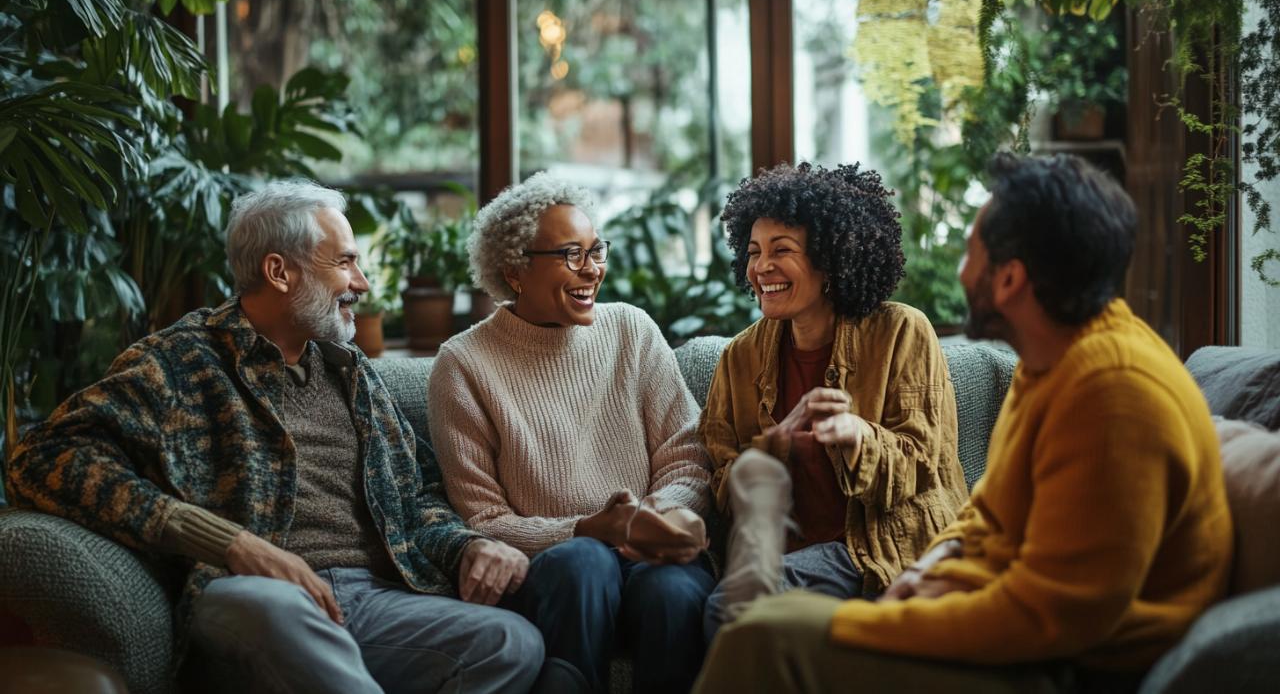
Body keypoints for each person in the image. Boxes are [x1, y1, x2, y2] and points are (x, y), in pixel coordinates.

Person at [693, 153, 1233, 693]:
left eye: (971, 249)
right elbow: (992, 515)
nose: (959, 270)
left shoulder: (1115, 392)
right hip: (998, 622)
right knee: (759, 625)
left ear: (1010, 277)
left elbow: (1052, 619)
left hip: (1070, 669)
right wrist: (940, 565)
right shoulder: (1051, 366)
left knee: (762, 631)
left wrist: (888, 620)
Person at [5, 181, 544, 694]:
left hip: (374, 595)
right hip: (250, 597)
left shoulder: (352, 373)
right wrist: (232, 543)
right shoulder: (180, 363)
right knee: (274, 609)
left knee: (509, 643)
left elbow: (418, 492)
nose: (362, 283)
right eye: (345, 262)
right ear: (279, 271)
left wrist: (467, 545)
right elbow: (40, 457)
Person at [428, 172, 715, 694]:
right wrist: (590, 530)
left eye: (595, 251)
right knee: (584, 564)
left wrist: (645, 521)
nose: (593, 270)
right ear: (515, 271)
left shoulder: (631, 329)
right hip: (555, 572)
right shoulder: (463, 365)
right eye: (571, 255)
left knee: (672, 589)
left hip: (646, 552)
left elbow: (688, 456)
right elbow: (482, 520)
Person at [699, 162, 967, 640]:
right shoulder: (738, 359)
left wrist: (855, 435)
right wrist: (772, 449)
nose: (761, 268)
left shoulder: (902, 332)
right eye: (754, 251)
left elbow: (925, 462)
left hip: (877, 549)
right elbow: (721, 479)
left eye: (782, 251)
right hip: (787, 554)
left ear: (829, 260)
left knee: (732, 609)